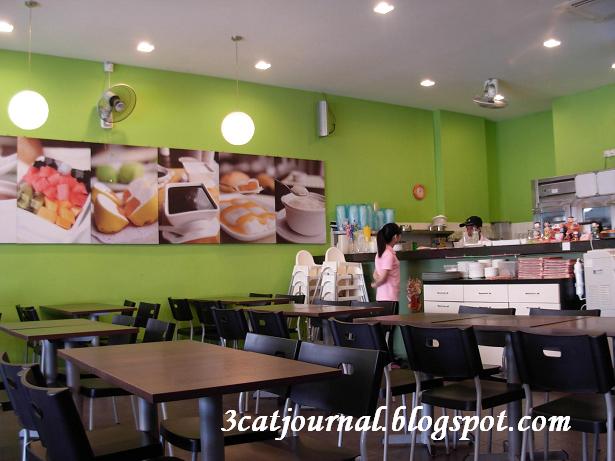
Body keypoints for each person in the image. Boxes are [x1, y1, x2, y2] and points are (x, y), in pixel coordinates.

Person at [371, 222, 402, 301]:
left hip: (381, 297)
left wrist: (378, 281)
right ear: (395, 237)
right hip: (390, 297)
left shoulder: (381, 252)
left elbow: (375, 273)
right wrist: (376, 284)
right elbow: (383, 278)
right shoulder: (388, 254)